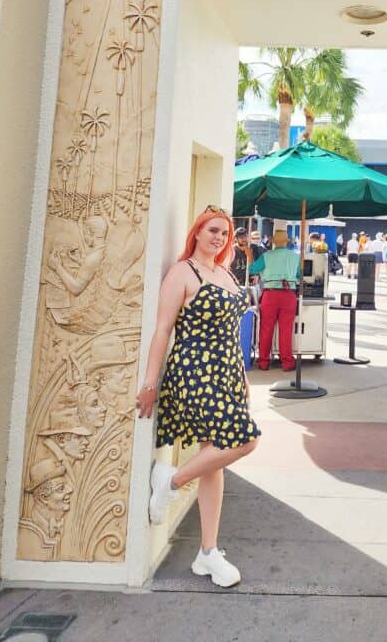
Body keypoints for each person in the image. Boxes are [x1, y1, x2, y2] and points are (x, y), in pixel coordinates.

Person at [136, 206, 260, 588]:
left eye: (224, 232)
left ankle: (207, 552)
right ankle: (171, 481)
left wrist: (242, 376)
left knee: (215, 458)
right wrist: (150, 383)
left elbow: (230, 331)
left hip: (226, 373)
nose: (219, 237)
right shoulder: (181, 273)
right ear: (197, 233)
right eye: (212, 230)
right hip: (193, 371)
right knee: (245, 439)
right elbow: (162, 330)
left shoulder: (224, 272)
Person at [249, 229, 300, 372]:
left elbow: (252, 269)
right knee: (286, 330)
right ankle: (287, 362)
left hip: (270, 295)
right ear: (286, 242)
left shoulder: (267, 255)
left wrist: (249, 257)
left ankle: (263, 362)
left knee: (266, 329)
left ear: (274, 242)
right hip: (289, 294)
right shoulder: (295, 257)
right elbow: (299, 275)